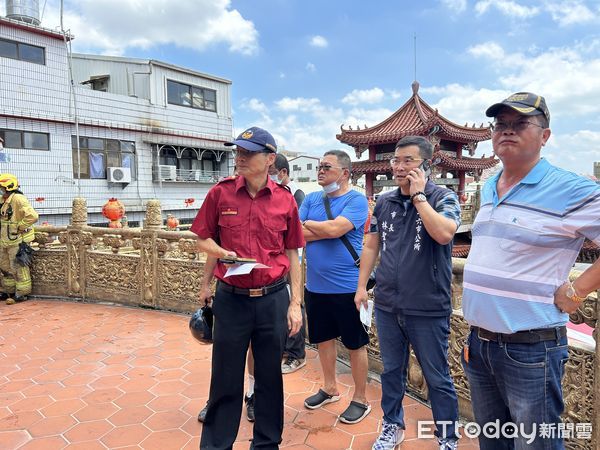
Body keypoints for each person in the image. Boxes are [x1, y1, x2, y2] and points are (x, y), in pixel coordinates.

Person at [462, 92, 600, 449]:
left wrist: (577, 291)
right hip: (479, 344)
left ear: (545, 135)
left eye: (520, 124)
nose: (507, 131)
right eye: (500, 125)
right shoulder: (490, 186)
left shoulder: (571, 189)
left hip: (530, 350)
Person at [191, 126, 304, 450]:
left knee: (270, 378)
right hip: (232, 300)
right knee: (224, 379)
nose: (239, 157)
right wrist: (217, 258)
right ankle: (216, 445)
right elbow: (202, 238)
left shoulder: (284, 201)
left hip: (272, 300)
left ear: (269, 159)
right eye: (238, 151)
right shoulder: (221, 193)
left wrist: (295, 303)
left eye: (248, 152)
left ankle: (266, 444)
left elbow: (293, 253)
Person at [355, 136, 461, 450]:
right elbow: (372, 243)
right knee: (391, 372)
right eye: (396, 160)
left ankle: (447, 437)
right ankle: (392, 426)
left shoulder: (443, 197)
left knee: (437, 377)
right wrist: (362, 287)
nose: (399, 167)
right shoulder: (385, 202)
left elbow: (444, 234)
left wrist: (418, 198)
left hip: (427, 307)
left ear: (427, 165)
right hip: (387, 303)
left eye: (408, 161)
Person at [299, 150, 371, 424]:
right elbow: (295, 232)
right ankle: (330, 388)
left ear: (344, 172)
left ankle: (360, 398)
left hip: (348, 288)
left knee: (355, 344)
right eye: (319, 167)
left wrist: (315, 227)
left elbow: (335, 230)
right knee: (322, 340)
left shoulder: (356, 200)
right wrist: (322, 228)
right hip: (315, 287)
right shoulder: (312, 199)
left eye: (327, 167)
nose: (320, 171)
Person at [268, 153, 307, 373]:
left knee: (294, 303)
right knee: (280, 306)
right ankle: (283, 349)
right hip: (274, 263)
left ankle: (296, 354)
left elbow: (296, 230)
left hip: (291, 261)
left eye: (272, 172)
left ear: (283, 173)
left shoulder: (294, 194)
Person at [0, 173, 38, 305]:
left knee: (18, 266)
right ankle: (8, 291)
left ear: (9, 187)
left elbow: (32, 216)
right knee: (5, 265)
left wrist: (19, 226)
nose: (1, 190)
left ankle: (22, 292)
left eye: (2, 188)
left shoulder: (18, 199)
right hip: (4, 239)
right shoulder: (3, 200)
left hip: (17, 239)